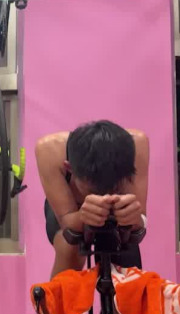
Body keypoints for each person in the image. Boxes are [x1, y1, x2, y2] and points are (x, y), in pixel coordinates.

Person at [35, 120, 149, 279]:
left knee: (127, 256)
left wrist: (134, 218)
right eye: (92, 191)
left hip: (118, 213)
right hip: (72, 209)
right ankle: (57, 294)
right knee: (69, 248)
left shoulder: (138, 145)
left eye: (114, 187)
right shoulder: (49, 151)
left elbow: (140, 220)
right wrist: (81, 217)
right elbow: (66, 220)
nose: (104, 196)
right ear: (69, 168)